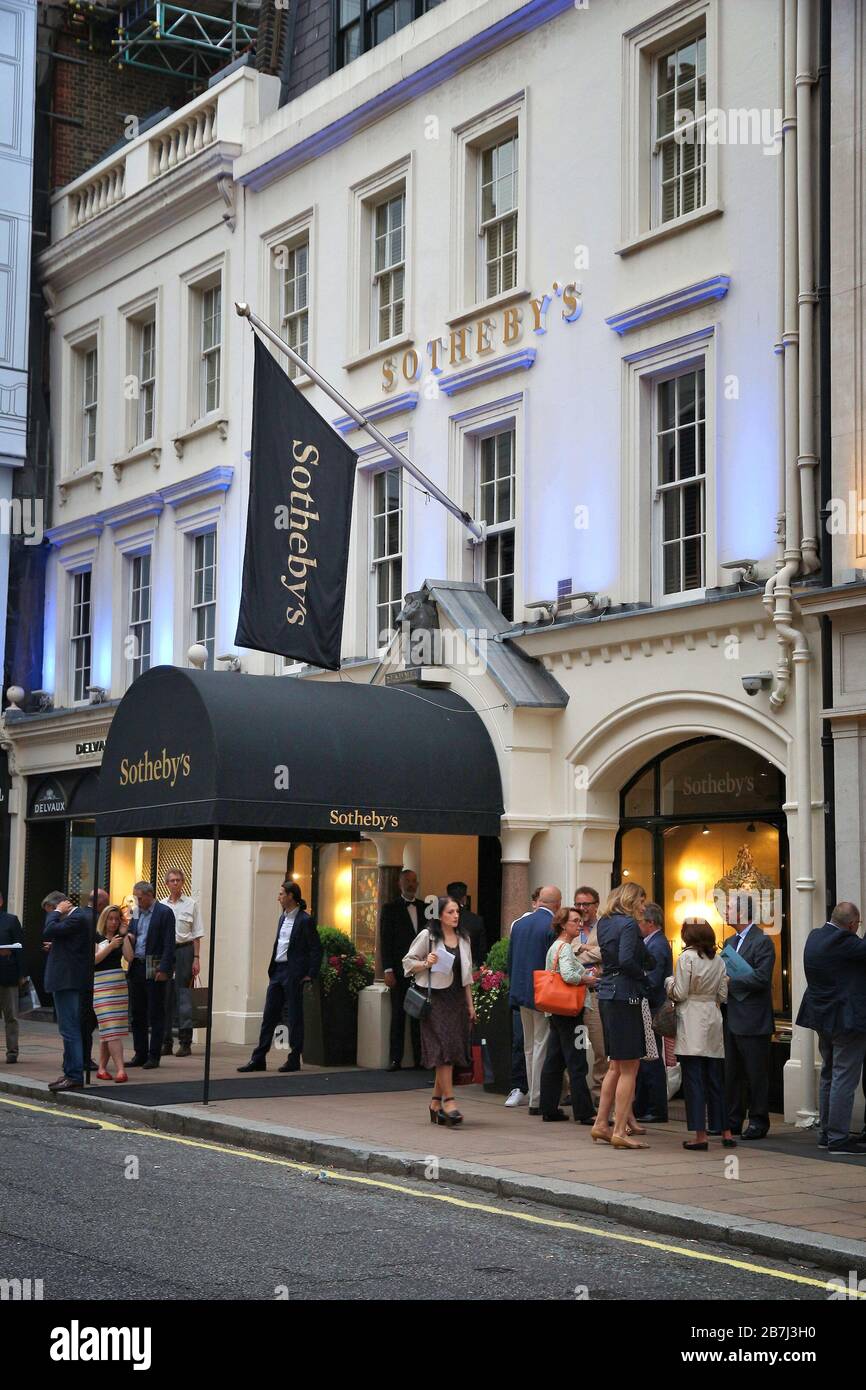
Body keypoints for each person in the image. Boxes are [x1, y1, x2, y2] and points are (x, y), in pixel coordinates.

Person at [796, 901, 866, 1155]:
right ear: (850, 924)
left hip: (822, 1018)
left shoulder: (815, 937)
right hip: (846, 1021)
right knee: (843, 1078)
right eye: (858, 925)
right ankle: (838, 1138)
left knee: (828, 1073)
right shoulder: (845, 942)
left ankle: (826, 1133)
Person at [403, 895, 476, 1127]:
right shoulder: (429, 936)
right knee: (443, 1048)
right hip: (434, 999)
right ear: (440, 915)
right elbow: (407, 962)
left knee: (452, 1050)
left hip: (456, 1000)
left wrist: (470, 1005)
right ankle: (450, 1102)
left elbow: (466, 977)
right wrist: (427, 963)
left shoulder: (464, 938)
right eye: (450, 912)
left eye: (457, 912)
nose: (455, 916)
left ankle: (435, 1103)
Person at [591, 881, 654, 1150]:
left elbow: (611, 958)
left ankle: (600, 1124)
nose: (643, 906)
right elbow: (628, 960)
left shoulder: (604, 923)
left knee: (615, 1065)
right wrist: (646, 978)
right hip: (625, 994)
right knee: (630, 1066)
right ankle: (619, 1130)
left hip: (606, 993)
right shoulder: (628, 925)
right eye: (641, 900)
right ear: (630, 899)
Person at [238, 881, 322, 1074]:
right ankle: (258, 1058)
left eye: (281, 894)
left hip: (294, 973)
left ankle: (294, 1058)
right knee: (269, 1015)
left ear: (291, 896)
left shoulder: (305, 920)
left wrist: (310, 974)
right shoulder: (281, 919)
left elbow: (316, 948)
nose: (279, 897)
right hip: (278, 971)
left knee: (294, 1016)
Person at [666, 918, 736, 1151]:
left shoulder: (686, 958)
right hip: (713, 1017)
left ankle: (700, 1135)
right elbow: (723, 995)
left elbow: (680, 992)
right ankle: (726, 1131)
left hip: (692, 1017)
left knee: (694, 1079)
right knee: (716, 1079)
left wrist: (669, 984)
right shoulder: (718, 960)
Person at [722, 891, 776, 1140]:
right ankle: (732, 1120)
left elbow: (762, 977)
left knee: (756, 1074)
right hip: (732, 1016)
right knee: (732, 1073)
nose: (724, 912)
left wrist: (730, 983)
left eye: (729, 908)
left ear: (743, 912)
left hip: (754, 1019)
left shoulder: (762, 941)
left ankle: (758, 1121)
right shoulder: (730, 942)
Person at [507, 886, 560, 1114]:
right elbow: (553, 963)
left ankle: (531, 1093)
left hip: (520, 991)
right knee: (540, 1045)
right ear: (557, 905)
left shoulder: (518, 925)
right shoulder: (551, 926)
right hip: (541, 993)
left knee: (529, 1046)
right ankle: (537, 1098)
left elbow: (511, 960)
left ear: (539, 902)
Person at [539, 907, 594, 1123]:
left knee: (555, 1059)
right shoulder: (565, 948)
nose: (579, 924)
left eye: (580, 921)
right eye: (575, 921)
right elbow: (570, 975)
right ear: (563, 925)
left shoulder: (555, 947)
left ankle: (549, 1108)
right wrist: (587, 979)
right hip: (571, 1011)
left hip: (556, 1010)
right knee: (577, 1059)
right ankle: (585, 1112)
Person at [43, 894, 94, 1091]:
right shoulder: (77, 919)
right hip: (66, 980)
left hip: (67, 981)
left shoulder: (76, 917)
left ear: (58, 905)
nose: (52, 916)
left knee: (69, 1028)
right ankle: (69, 1072)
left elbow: (48, 930)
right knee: (68, 1028)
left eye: (51, 911)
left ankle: (74, 1075)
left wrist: (56, 913)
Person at [380, 869, 427, 1071]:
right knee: (398, 1015)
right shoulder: (390, 908)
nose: (411, 884)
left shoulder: (424, 907)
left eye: (414, 881)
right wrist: (388, 969)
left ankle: (420, 1059)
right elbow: (385, 941)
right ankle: (395, 1059)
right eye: (407, 881)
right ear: (400, 884)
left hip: (420, 971)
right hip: (399, 971)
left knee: (419, 1015)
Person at [126, 881, 176, 1069]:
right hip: (137, 963)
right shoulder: (136, 912)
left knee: (155, 1011)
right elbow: (132, 932)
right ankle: (140, 1053)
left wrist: (164, 969)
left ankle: (154, 1055)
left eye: (139, 898)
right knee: (137, 1013)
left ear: (149, 895)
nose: (137, 901)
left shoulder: (164, 912)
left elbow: (169, 943)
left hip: (154, 964)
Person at [634, 903, 673, 1123]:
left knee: (651, 1058)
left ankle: (656, 1108)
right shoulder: (652, 942)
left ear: (650, 923)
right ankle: (643, 1105)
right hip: (648, 1005)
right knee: (646, 1057)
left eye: (640, 922)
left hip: (651, 1006)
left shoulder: (656, 945)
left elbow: (653, 979)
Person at [160, 868, 203, 1058]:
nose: (175, 883)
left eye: (178, 880)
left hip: (185, 950)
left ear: (183, 883)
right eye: (172, 880)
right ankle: (165, 1042)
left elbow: (196, 934)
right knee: (164, 997)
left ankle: (185, 1042)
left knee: (184, 997)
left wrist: (196, 958)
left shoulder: (191, 904)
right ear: (166, 884)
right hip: (165, 952)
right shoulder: (161, 905)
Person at [504, 888, 540, 1108]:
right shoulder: (520, 924)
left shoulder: (552, 923)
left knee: (539, 1043)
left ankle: (539, 1089)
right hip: (523, 990)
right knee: (522, 1041)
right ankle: (520, 1086)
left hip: (542, 991)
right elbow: (512, 958)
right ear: (533, 902)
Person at [93, 904, 134, 1082]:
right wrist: (110, 946)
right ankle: (120, 1070)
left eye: (117, 919)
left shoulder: (120, 936)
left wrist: (123, 937)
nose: (113, 922)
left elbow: (129, 957)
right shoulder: (96, 937)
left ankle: (102, 1068)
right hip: (100, 984)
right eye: (110, 919)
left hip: (118, 983)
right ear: (104, 919)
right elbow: (94, 960)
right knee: (111, 1029)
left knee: (108, 1029)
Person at [573, 887, 606, 1107]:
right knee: (572, 1046)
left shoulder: (604, 926)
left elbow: (606, 952)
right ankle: (573, 1092)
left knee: (600, 1047)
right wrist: (589, 949)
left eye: (586, 904)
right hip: (571, 994)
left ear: (596, 904)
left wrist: (580, 950)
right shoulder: (571, 924)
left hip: (595, 995)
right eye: (579, 904)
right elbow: (565, 950)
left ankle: (599, 1093)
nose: (582, 909)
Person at [0, 892, 25, 1064]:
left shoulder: (11, 920)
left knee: (11, 1016)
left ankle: (12, 1051)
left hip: (8, 974)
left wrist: (22, 974)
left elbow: (20, 948)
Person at [447, 881, 486, 967]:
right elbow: (481, 951)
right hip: (470, 970)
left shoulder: (442, 918)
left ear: (448, 898)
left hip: (446, 970)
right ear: (464, 898)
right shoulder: (476, 920)